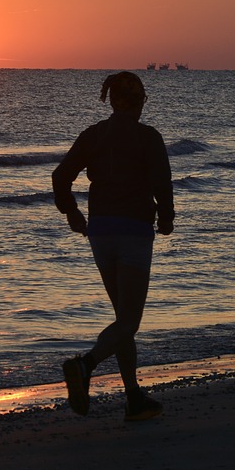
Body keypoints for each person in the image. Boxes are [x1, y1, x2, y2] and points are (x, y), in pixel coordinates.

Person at [53, 71, 174, 421]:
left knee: (123, 320)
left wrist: (71, 212)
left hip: (100, 232)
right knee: (129, 322)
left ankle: (134, 397)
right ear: (138, 102)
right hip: (133, 233)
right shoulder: (148, 137)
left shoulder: (94, 135)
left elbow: (61, 176)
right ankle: (84, 365)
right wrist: (166, 219)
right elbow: (161, 184)